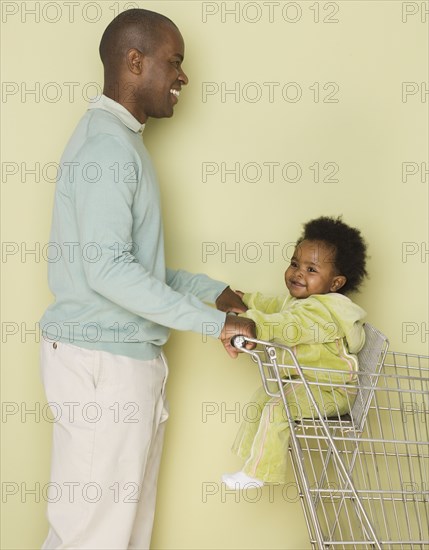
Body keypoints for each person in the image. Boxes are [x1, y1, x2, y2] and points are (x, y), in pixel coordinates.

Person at [39, 8, 255, 549]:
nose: (183, 77)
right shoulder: (109, 149)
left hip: (119, 364)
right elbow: (109, 272)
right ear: (135, 62)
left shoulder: (120, 141)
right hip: (103, 369)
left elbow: (128, 264)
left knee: (121, 536)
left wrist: (209, 293)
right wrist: (212, 324)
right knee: (92, 539)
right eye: (174, 62)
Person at [222, 216, 368, 489]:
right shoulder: (302, 299)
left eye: (311, 269)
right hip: (306, 383)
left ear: (335, 283)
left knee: (280, 408)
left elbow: (290, 325)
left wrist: (251, 323)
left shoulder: (323, 312)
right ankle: (251, 459)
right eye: (294, 264)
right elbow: (276, 304)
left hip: (331, 390)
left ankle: (258, 472)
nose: (298, 273)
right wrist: (246, 300)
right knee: (262, 396)